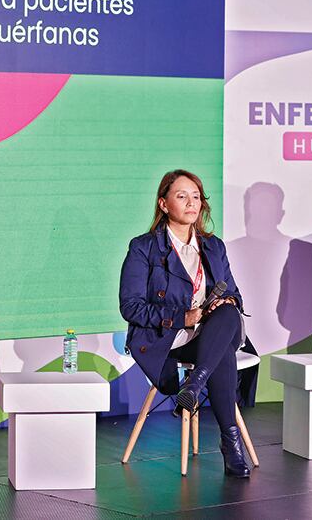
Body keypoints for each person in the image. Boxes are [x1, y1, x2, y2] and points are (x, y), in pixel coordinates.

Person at [119, 169, 254, 478]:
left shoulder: (214, 246)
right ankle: (230, 443)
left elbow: (234, 293)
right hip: (171, 337)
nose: (191, 203)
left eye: (196, 196)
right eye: (182, 196)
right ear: (164, 204)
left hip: (215, 330)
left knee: (229, 313)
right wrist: (183, 317)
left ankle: (193, 385)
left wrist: (225, 301)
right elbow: (131, 307)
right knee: (221, 356)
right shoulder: (143, 248)